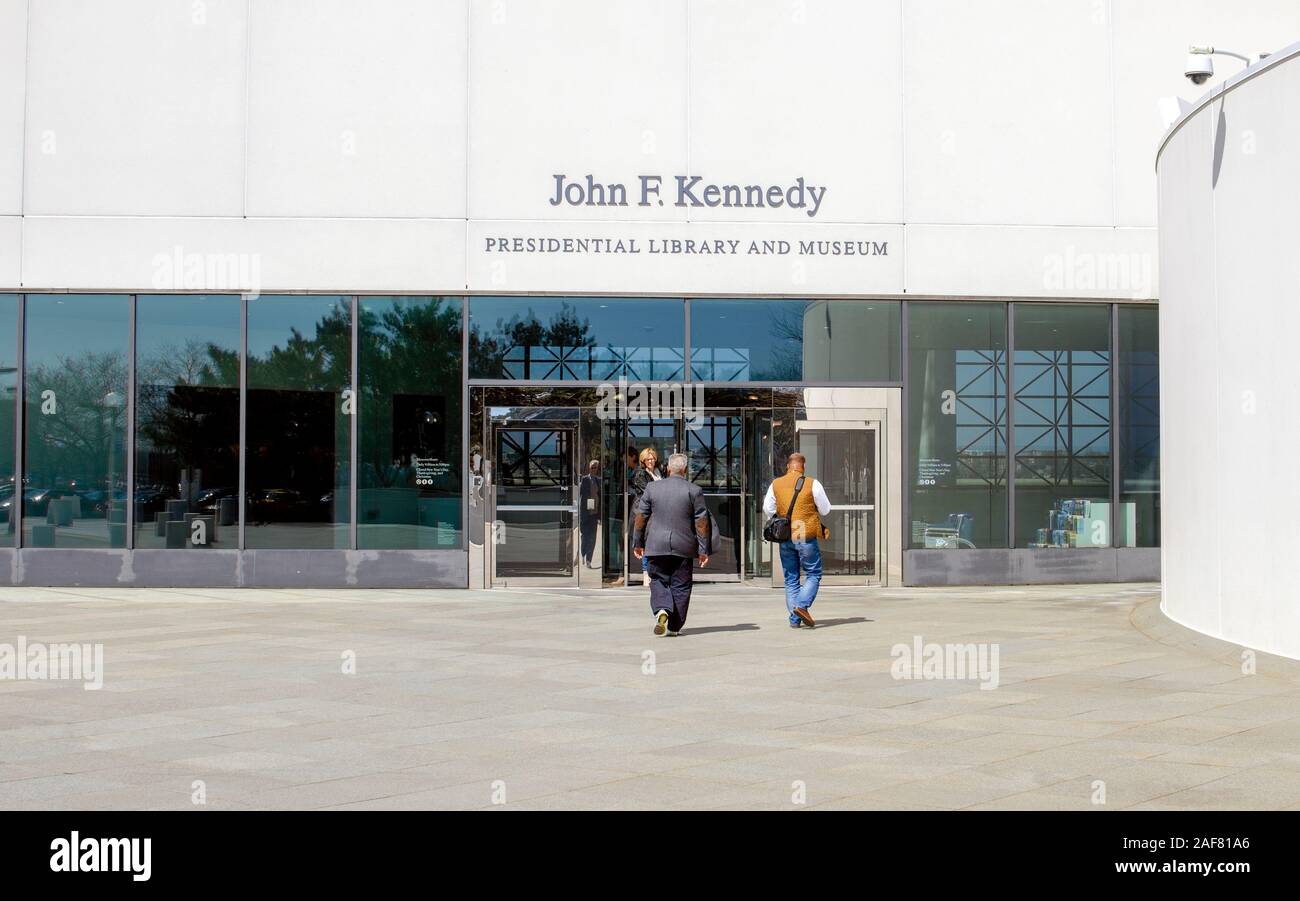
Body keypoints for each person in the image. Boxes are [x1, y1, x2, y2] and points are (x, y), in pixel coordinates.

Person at [632, 453, 710, 636]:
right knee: (681, 586)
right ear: (684, 470)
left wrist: (638, 542)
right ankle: (674, 627)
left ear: (668, 468)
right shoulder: (694, 490)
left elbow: (641, 516)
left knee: (658, 579)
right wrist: (703, 549)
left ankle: (661, 609)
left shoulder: (652, 488)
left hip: (656, 545)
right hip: (683, 547)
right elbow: (701, 521)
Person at [763, 452, 832, 629]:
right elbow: (825, 510)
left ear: (788, 466)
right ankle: (801, 607)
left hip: (785, 536)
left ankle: (794, 619)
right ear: (803, 466)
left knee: (791, 578)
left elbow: (767, 509)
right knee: (813, 574)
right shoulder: (812, 483)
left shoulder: (776, 484)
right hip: (805, 534)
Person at [628, 447, 664, 587]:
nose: (651, 461)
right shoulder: (640, 474)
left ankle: (656, 572)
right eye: (648, 459)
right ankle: (646, 574)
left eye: (653, 458)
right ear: (643, 460)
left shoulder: (658, 471)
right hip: (644, 510)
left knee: (654, 540)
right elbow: (648, 492)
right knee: (645, 540)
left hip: (658, 510)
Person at [579, 459, 601, 568]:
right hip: (585, 514)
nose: (593, 469)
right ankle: (583, 553)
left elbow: (600, 496)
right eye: (592, 467)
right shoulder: (585, 479)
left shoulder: (598, 480)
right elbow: (581, 496)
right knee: (585, 536)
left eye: (595, 467)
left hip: (594, 514)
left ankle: (589, 560)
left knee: (593, 537)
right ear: (589, 468)